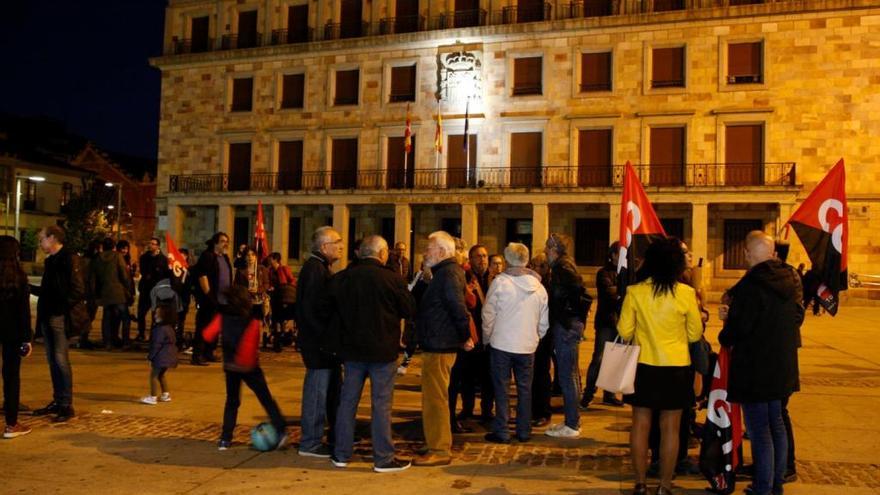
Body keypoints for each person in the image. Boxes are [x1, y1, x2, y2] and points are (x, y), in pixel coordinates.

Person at [617, 237, 703, 495]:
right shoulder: (686, 294)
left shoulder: (636, 292)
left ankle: (640, 483)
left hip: (644, 366)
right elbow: (694, 333)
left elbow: (624, 329)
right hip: (676, 367)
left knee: (640, 425)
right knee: (671, 429)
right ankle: (665, 485)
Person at [718, 231, 802, 495]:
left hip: (755, 369)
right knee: (776, 423)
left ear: (747, 254)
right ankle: (775, 482)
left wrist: (726, 321)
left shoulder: (750, 285)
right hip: (782, 366)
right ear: (772, 253)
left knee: (759, 429)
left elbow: (735, 332)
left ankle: (763, 487)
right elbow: (797, 317)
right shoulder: (791, 278)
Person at [324, 235, 416, 472]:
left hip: (352, 351)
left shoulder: (342, 278)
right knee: (381, 405)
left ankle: (341, 453)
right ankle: (383, 458)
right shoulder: (392, 279)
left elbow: (329, 308)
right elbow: (408, 309)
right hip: (382, 351)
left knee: (347, 403)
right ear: (382, 254)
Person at [413, 231, 473, 467]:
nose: (425, 252)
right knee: (432, 398)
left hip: (441, 343)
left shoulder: (448, 273)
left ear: (441, 252)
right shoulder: (442, 273)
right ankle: (434, 441)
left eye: (429, 249)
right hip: (435, 341)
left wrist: (465, 335)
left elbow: (457, 308)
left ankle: (439, 448)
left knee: (436, 398)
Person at [204, 285, 288, 451]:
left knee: (232, 401)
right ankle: (281, 430)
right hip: (249, 366)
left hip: (230, 365)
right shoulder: (252, 319)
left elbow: (207, 335)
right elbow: (252, 343)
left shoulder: (223, 317)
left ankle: (225, 438)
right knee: (265, 398)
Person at [481, 242, 549, 444]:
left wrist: (487, 338)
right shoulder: (539, 287)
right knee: (525, 389)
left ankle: (502, 430)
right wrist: (535, 337)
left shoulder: (500, 283)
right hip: (527, 345)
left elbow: (488, 314)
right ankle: (523, 430)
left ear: (507, 259)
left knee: (501, 388)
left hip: (501, 343)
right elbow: (544, 321)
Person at [295, 226, 344, 458]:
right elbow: (313, 310)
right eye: (338, 242)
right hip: (318, 346)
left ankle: (321, 436)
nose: (342, 246)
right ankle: (310, 442)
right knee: (317, 393)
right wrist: (327, 338)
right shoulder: (315, 269)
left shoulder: (320, 267)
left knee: (327, 392)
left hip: (323, 344)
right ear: (325, 247)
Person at [31, 225, 85, 423]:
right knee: (53, 361)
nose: (40, 243)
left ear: (52, 238)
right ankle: (58, 400)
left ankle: (66, 404)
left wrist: (60, 309)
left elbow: (78, 289)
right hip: (48, 315)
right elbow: (48, 290)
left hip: (59, 317)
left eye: (42, 239)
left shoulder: (69, 258)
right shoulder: (51, 261)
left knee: (61, 360)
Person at [544, 233, 587, 438]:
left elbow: (560, 298)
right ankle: (573, 420)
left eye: (547, 248)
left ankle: (572, 423)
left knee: (567, 376)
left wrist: (560, 319)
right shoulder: (565, 265)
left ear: (554, 248)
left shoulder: (562, 267)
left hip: (566, 326)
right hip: (570, 324)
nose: (544, 252)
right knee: (570, 374)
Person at [449, 244, 493, 430]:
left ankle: (486, 411)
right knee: (466, 375)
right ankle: (467, 409)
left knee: (487, 377)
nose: (482, 259)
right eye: (478, 256)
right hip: (471, 334)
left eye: (484, 256)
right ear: (471, 259)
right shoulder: (465, 277)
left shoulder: (493, 279)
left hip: (489, 336)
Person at [581, 242, 624, 409]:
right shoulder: (603, 273)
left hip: (621, 322)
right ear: (612, 255)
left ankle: (610, 394)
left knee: (615, 360)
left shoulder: (625, 273)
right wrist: (623, 292)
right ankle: (589, 393)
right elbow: (611, 293)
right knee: (598, 359)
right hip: (606, 322)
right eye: (620, 254)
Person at [0, 236, 33, 438]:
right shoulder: (18, 278)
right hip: (12, 332)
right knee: (11, 376)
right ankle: (11, 424)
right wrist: (26, 338)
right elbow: (23, 312)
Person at [192, 232, 233, 365]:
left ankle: (209, 352)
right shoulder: (208, 256)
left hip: (223, 300)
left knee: (215, 328)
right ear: (215, 243)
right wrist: (209, 295)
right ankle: (197, 354)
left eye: (227, 241)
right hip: (210, 299)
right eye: (222, 241)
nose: (225, 244)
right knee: (203, 326)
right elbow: (202, 276)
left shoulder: (225, 258)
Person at [89, 237, 133, 350]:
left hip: (105, 292)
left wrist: (95, 293)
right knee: (125, 318)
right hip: (118, 292)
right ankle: (126, 342)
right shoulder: (117, 256)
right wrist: (129, 290)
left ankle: (107, 342)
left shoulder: (97, 258)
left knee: (107, 317)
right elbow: (124, 274)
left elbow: (93, 278)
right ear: (113, 246)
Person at [141, 302, 178, 405]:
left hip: (161, 357)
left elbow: (156, 345)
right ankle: (165, 394)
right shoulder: (169, 328)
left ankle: (153, 396)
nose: (155, 315)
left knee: (153, 376)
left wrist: (150, 357)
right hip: (169, 357)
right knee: (161, 375)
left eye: (157, 313)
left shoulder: (160, 329)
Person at [137, 237, 170, 342]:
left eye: (153, 244)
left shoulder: (163, 259)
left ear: (158, 246)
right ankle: (141, 333)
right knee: (141, 313)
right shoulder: (144, 257)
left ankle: (153, 335)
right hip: (145, 289)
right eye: (150, 243)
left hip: (157, 290)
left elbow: (163, 274)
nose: (150, 245)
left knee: (155, 314)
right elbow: (144, 271)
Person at [267, 252, 296, 352]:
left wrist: (287, 288)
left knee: (283, 316)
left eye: (270, 259)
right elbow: (269, 282)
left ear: (275, 260)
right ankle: (277, 339)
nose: (269, 261)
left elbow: (291, 280)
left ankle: (286, 334)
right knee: (276, 318)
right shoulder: (270, 271)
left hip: (285, 295)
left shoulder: (284, 269)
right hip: (275, 297)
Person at [234, 247, 270, 321]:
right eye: (248, 255)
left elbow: (266, 284)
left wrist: (258, 290)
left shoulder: (262, 269)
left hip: (259, 301)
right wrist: (245, 292)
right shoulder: (240, 270)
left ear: (256, 257)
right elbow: (237, 286)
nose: (250, 257)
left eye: (252, 255)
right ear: (245, 257)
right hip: (246, 301)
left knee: (257, 323)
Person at [78, 238, 103, 349]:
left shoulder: (84, 260)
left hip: (86, 292)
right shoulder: (90, 262)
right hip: (89, 293)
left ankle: (83, 338)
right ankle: (83, 339)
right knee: (88, 316)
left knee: (87, 317)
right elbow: (89, 279)